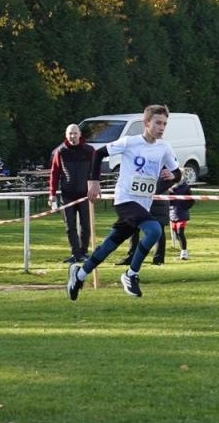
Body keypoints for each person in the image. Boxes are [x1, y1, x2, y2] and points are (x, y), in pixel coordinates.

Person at [66, 104, 178, 300]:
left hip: (143, 205)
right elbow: (99, 153)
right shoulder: (130, 142)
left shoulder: (164, 148)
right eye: (158, 123)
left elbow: (177, 173)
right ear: (146, 123)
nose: (161, 128)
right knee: (154, 230)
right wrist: (94, 182)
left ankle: (79, 275)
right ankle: (131, 275)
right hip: (125, 199)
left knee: (111, 244)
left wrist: (172, 176)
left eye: (164, 124)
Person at [48, 123, 97, 264]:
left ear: (80, 134)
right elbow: (54, 173)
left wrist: (95, 187)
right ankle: (75, 254)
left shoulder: (89, 150)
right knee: (70, 226)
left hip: (85, 194)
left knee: (86, 225)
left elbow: (95, 170)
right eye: (70, 133)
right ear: (66, 135)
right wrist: (52, 194)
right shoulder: (61, 151)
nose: (72, 136)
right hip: (67, 195)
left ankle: (83, 252)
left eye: (75, 133)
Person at [170, 168, 194, 261]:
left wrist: (184, 207)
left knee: (180, 232)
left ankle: (184, 252)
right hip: (172, 212)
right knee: (176, 234)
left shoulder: (186, 187)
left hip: (182, 213)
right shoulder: (170, 186)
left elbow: (191, 200)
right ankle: (182, 251)